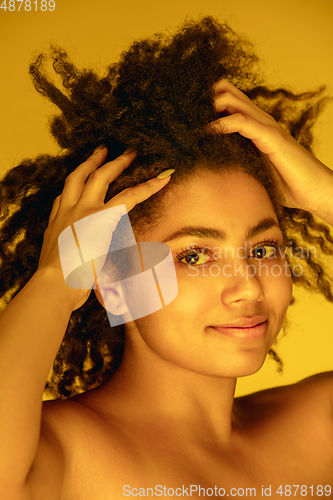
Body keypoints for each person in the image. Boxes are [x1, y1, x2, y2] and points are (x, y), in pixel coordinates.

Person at [0, 16, 333, 499]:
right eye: (195, 255)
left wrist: (325, 195)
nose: (250, 287)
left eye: (262, 249)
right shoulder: (62, 456)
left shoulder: (318, 428)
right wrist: (56, 277)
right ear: (111, 279)